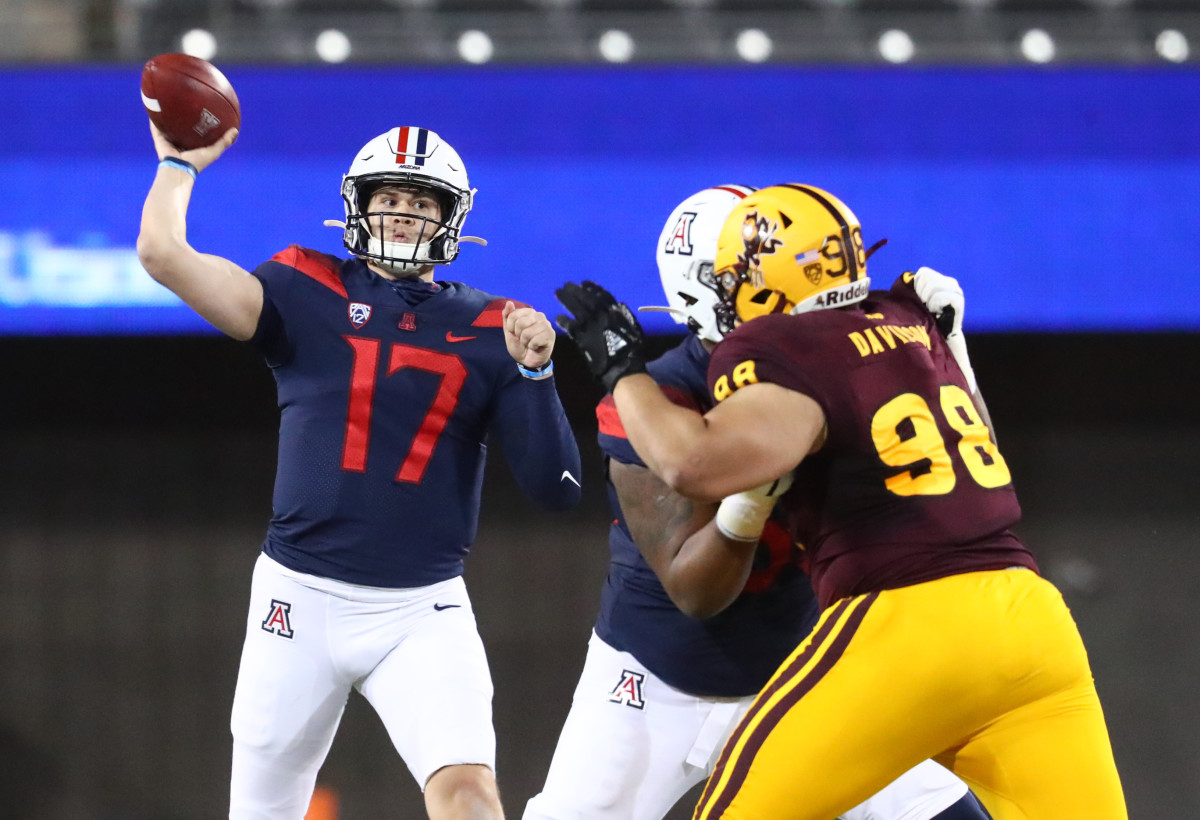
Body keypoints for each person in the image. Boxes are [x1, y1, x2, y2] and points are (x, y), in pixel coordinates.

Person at [554, 183, 1127, 820]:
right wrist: (943, 352)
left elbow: (695, 457)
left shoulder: (793, 355)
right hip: (663, 671)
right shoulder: (880, 326)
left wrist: (619, 369)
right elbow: (696, 593)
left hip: (835, 649)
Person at [137, 122, 582, 820]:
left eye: (423, 200)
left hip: (420, 610)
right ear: (357, 206)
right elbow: (163, 255)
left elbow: (558, 492)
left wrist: (537, 373)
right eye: (390, 195)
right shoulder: (301, 285)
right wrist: (178, 164)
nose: (404, 211)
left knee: (469, 796)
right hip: (298, 599)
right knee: (261, 811)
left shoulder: (496, 326)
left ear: (450, 218)